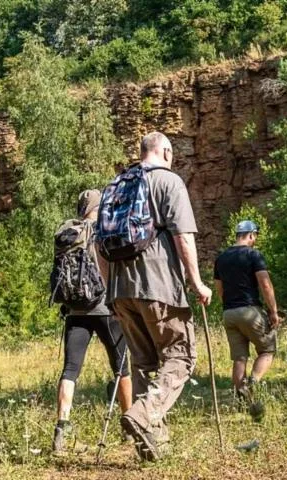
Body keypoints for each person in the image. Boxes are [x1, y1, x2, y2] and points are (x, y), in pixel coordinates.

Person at [99, 131, 212, 462]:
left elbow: (99, 245)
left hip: (121, 290)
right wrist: (196, 282)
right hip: (158, 285)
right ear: (164, 151)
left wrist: (110, 289)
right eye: (171, 153)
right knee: (180, 356)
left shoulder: (114, 187)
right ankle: (144, 413)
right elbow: (183, 238)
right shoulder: (168, 181)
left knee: (145, 362)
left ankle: (154, 446)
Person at [53, 189, 133, 454]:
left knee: (70, 370)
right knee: (122, 368)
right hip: (106, 308)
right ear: (101, 206)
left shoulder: (68, 233)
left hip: (75, 311)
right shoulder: (104, 230)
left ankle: (61, 431)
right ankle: (129, 427)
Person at [213, 220, 280, 417]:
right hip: (249, 310)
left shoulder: (221, 258)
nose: (255, 240)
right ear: (251, 235)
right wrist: (273, 311)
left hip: (229, 313)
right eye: (255, 236)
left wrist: (228, 303)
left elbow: (219, 287)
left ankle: (241, 400)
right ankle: (252, 383)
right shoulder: (253, 254)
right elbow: (265, 283)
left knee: (239, 358)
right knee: (267, 350)